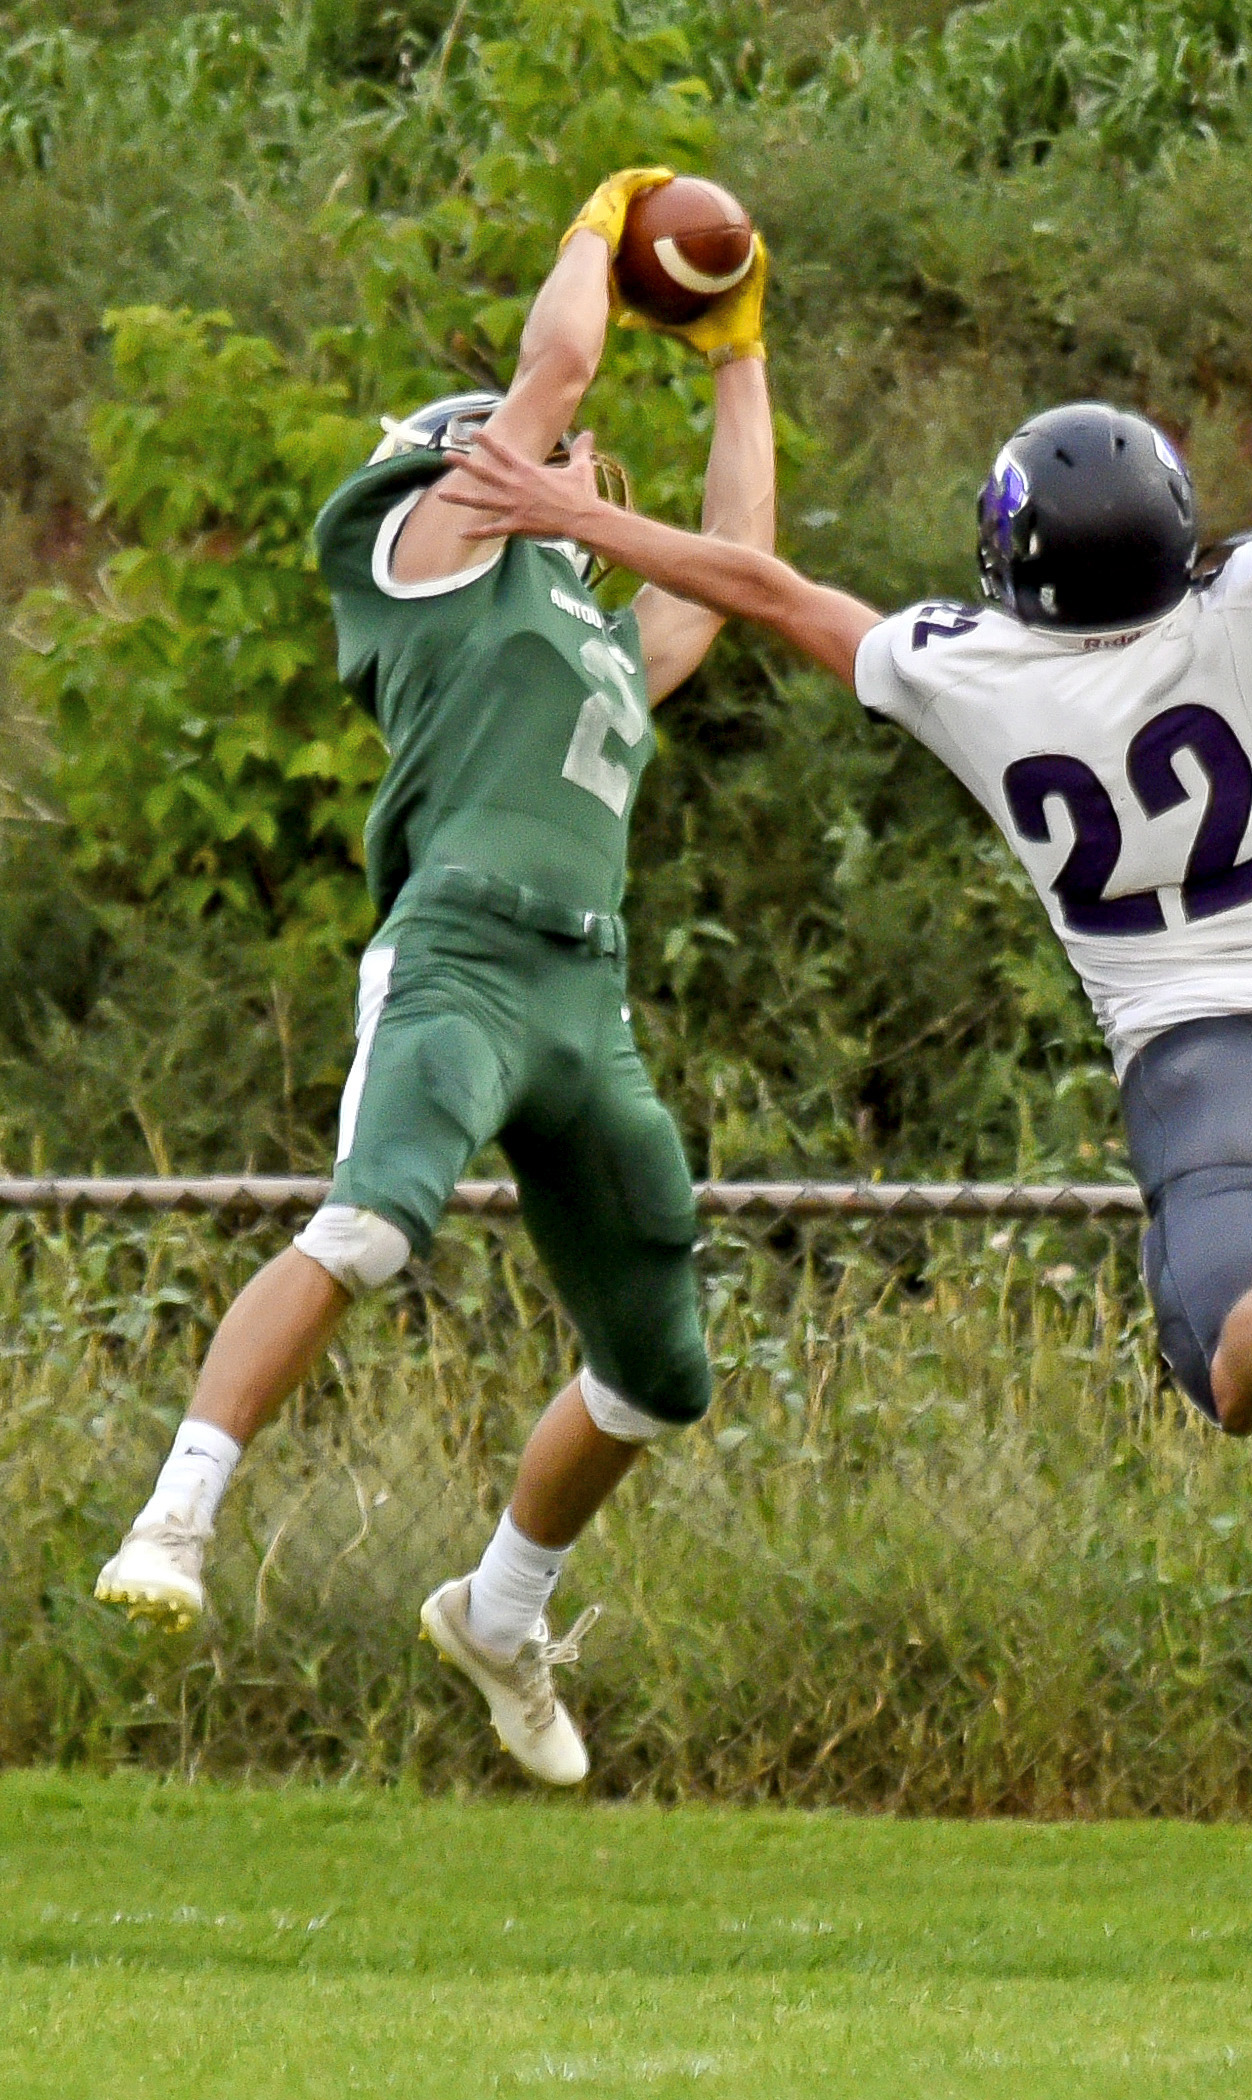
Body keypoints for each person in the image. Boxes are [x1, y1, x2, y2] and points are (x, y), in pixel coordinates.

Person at [438, 151, 1252, 1829]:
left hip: (1213, 1086)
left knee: (1237, 1363)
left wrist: (576, 510)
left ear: (1013, 559)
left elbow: (763, 591)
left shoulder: (962, 678)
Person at [95, 167, 774, 1788]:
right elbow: (553, 381)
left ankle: (499, 1606)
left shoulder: (592, 631)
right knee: (377, 1218)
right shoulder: (432, 559)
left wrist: (743, 354)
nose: (575, 463)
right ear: (462, 464)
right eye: (540, 457)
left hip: (583, 995)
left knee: (661, 1374)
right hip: (462, 955)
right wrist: (596, 236)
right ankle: (177, 1514)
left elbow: (730, 567)